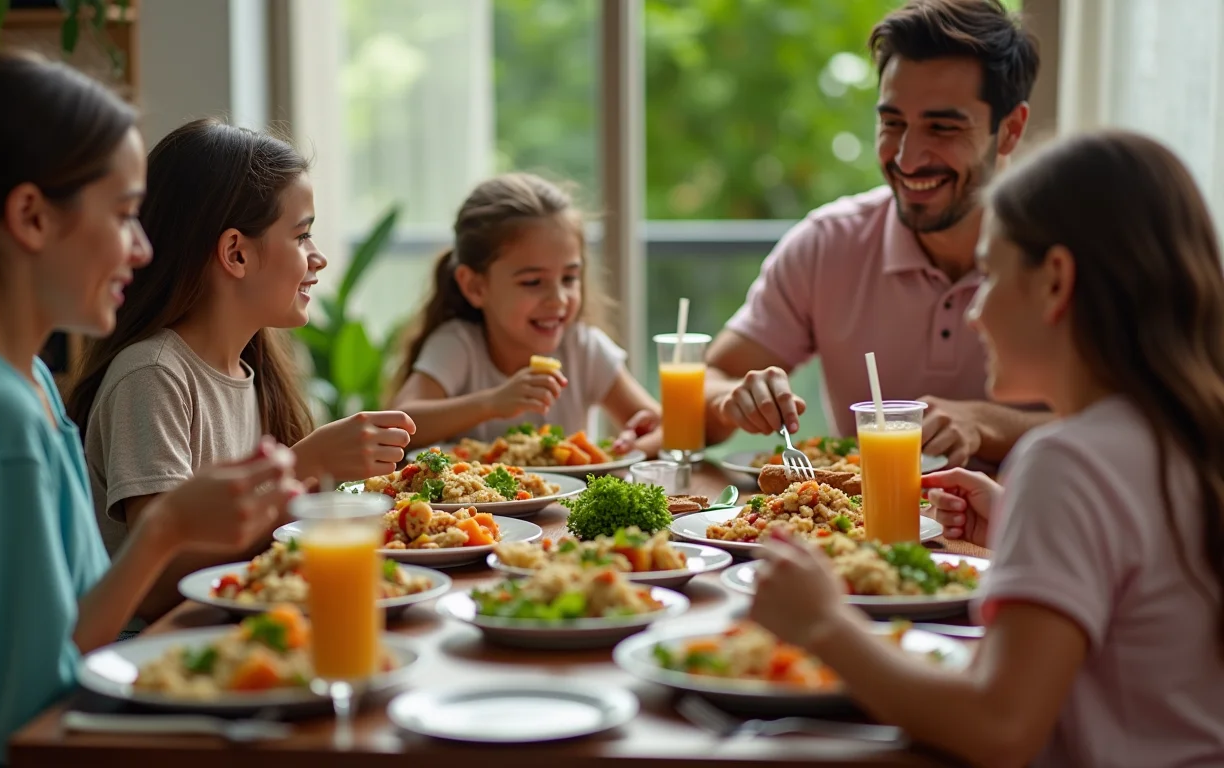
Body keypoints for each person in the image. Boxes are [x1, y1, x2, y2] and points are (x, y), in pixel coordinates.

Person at [750, 131, 1224, 767]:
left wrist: (822, 626)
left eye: (991, 273)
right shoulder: (1186, 434)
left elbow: (998, 728)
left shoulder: (1069, 461)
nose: (974, 313)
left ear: (1055, 281)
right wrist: (1019, 537)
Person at [0, 54, 302, 767]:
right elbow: (20, 717)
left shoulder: (30, 387)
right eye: (123, 215)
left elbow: (77, 625)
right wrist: (166, 527)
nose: (141, 249)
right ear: (31, 217)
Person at [65, 118, 415, 617]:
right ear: (235, 253)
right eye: (302, 237)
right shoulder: (153, 376)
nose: (318, 260)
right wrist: (305, 463)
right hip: (160, 653)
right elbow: (161, 588)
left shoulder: (256, 369)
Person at [707, 0, 1049, 469]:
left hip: (1017, 535)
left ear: (1010, 130)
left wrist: (987, 424)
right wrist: (734, 398)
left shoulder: (1069, 255)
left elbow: (1134, 425)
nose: (907, 159)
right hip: (854, 535)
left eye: (942, 127)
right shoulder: (827, 244)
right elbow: (713, 376)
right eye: (893, 124)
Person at [390, 172, 660, 453]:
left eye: (569, 278)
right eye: (532, 282)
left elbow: (662, 426)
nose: (558, 300)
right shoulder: (459, 345)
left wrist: (633, 444)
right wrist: (492, 403)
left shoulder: (584, 348)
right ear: (474, 286)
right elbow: (400, 425)